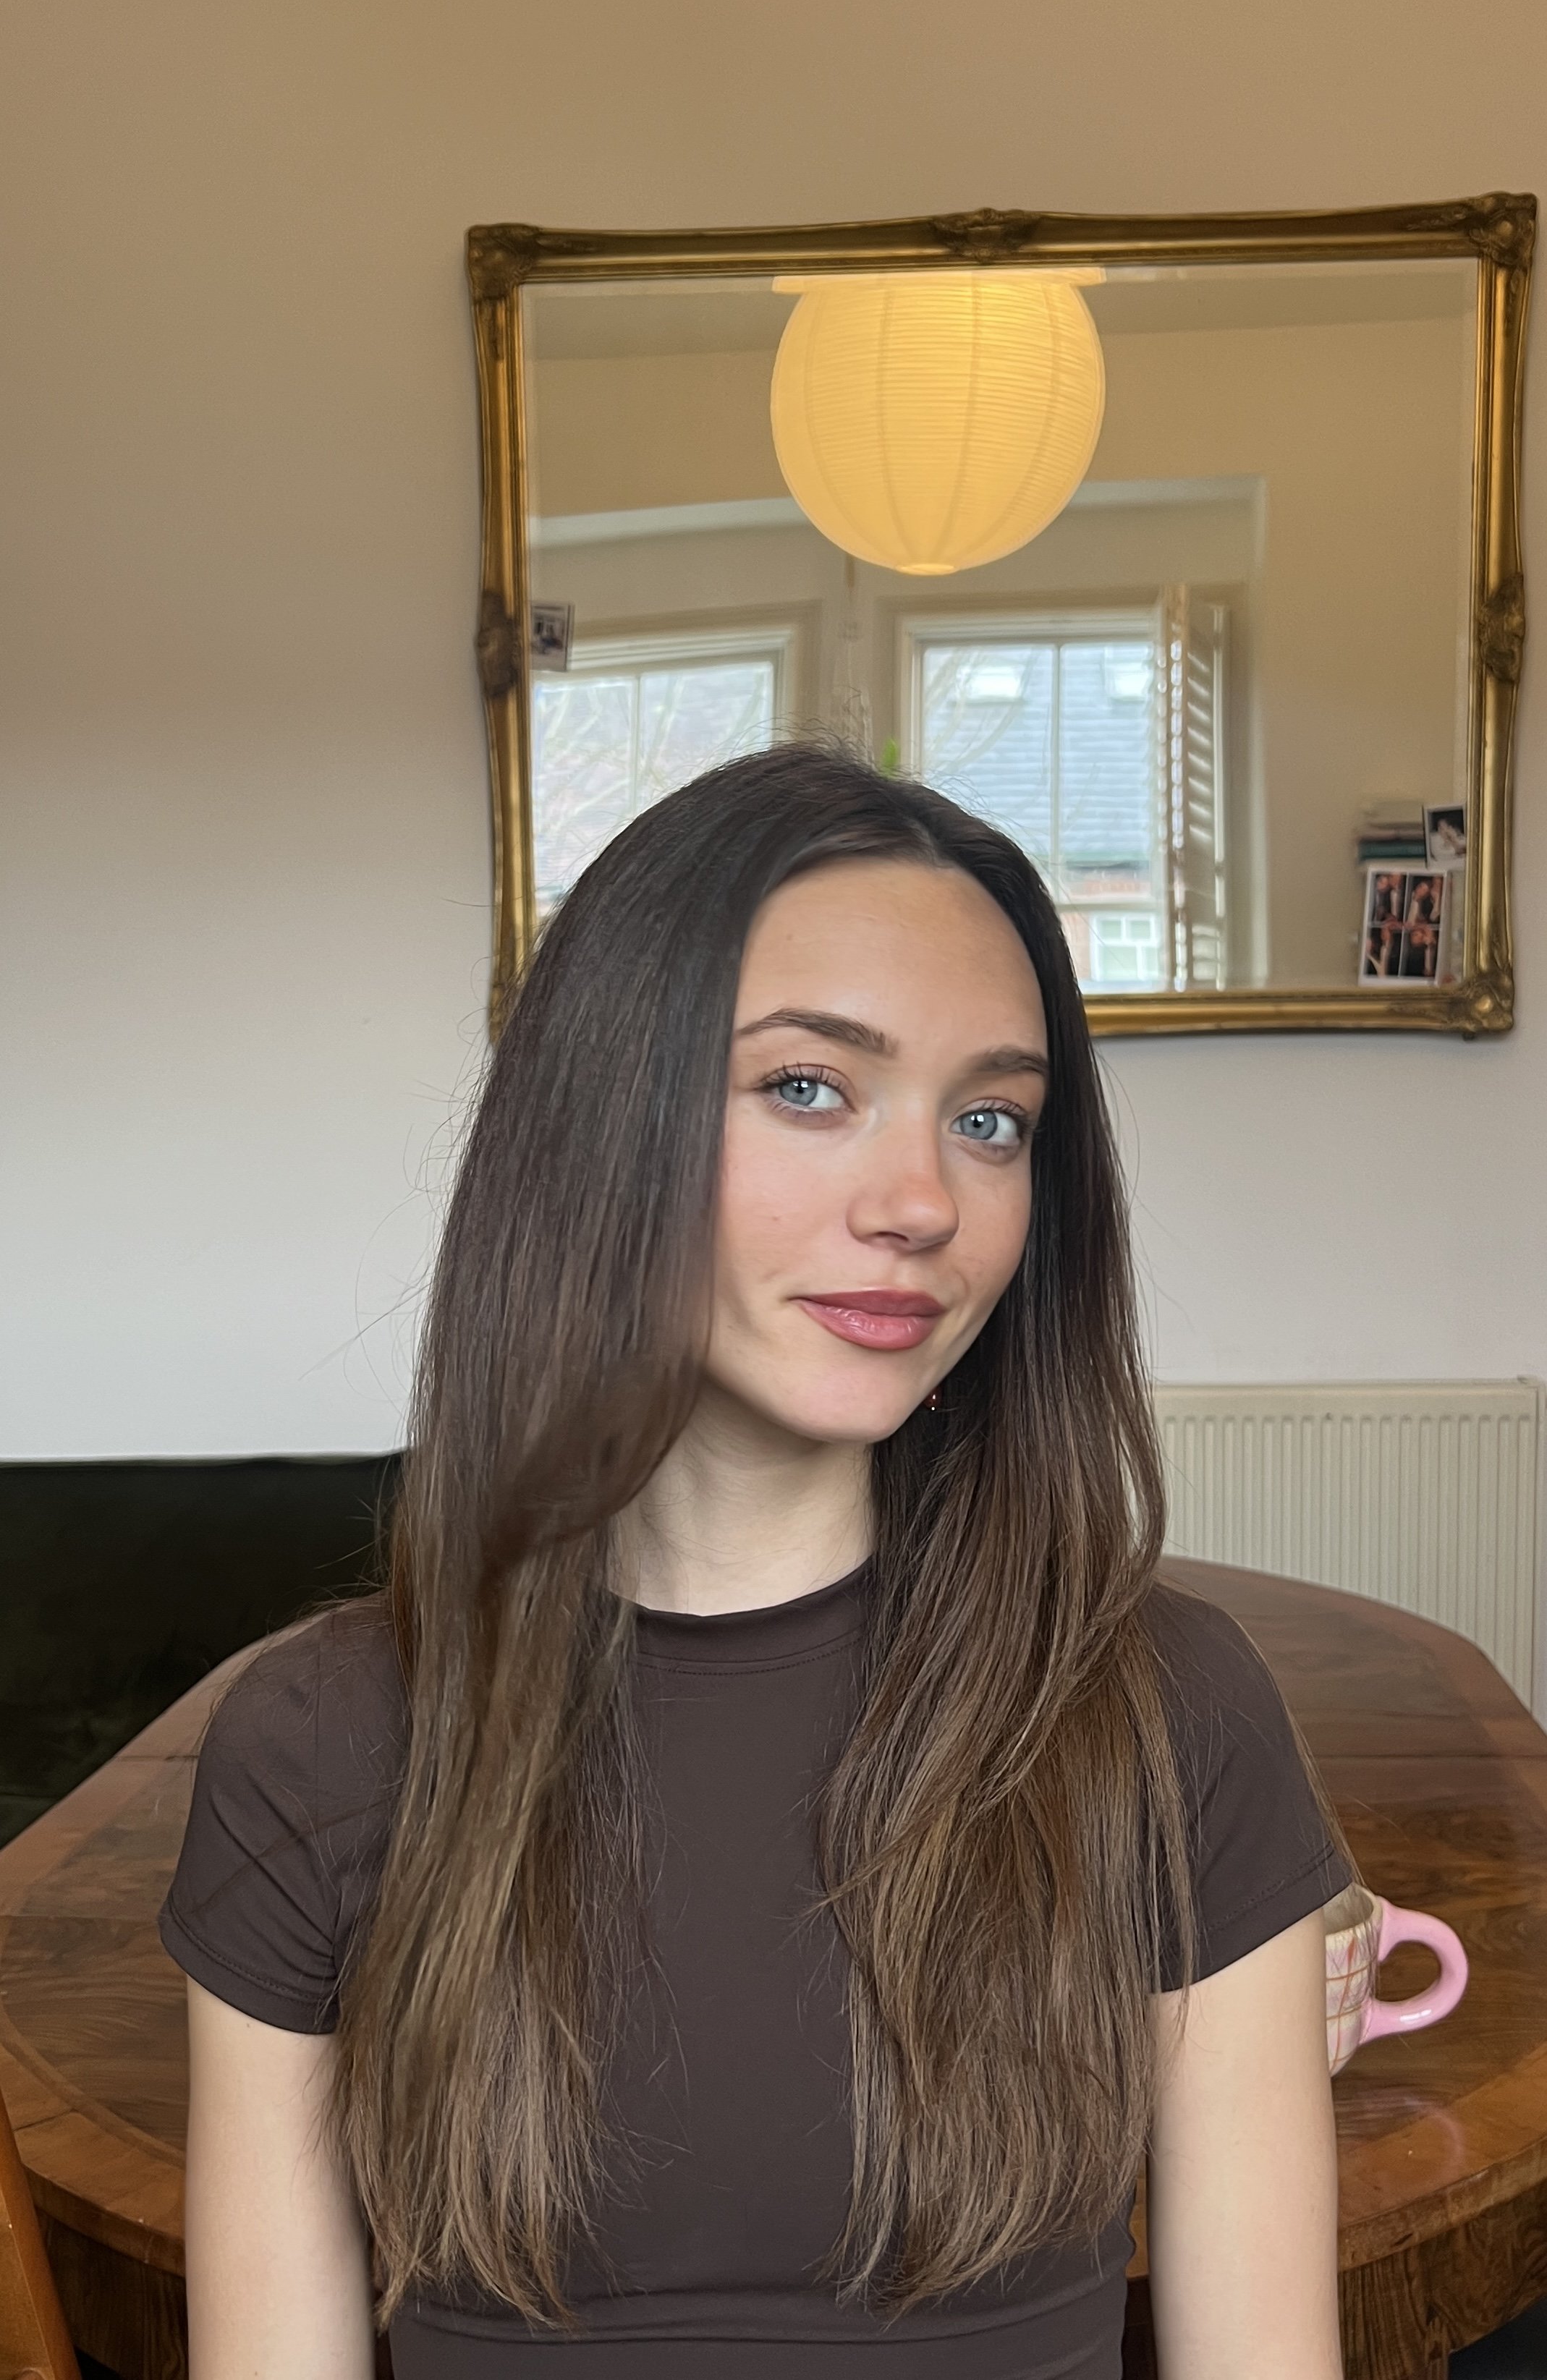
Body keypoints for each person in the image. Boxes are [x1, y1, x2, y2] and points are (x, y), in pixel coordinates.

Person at [161, 745, 1350, 2380]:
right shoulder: (318, 1743)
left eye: (991, 1119)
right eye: (809, 1086)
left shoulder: (1169, 1714)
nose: (924, 1199)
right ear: (602, 1124)